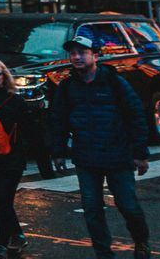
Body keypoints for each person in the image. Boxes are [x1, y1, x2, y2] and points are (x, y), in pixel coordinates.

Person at [48, 34, 151, 259]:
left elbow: (136, 116)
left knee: (128, 206)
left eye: (82, 52)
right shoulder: (67, 87)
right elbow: (58, 120)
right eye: (73, 53)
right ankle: (103, 254)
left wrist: (140, 154)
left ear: (95, 55)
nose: (76, 57)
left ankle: (141, 241)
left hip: (118, 156)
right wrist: (57, 152)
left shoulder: (114, 82)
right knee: (92, 210)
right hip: (86, 158)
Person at [0, 57, 47, 259]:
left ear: (4, 76)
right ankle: (19, 236)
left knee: (5, 200)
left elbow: (30, 129)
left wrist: (44, 162)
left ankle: (1, 245)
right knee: (2, 201)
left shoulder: (15, 100)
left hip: (11, 159)